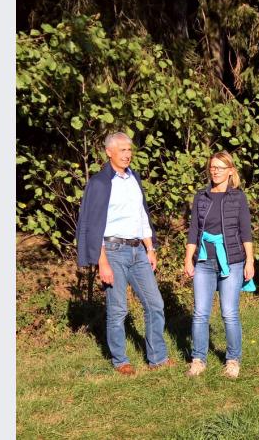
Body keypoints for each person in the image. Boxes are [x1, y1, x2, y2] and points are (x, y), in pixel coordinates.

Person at [76, 132, 173, 375]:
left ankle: (157, 358)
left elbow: (141, 216)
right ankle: (120, 360)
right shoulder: (100, 183)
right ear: (109, 152)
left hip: (138, 251)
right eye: (122, 150)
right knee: (118, 309)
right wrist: (102, 263)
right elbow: (92, 224)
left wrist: (150, 248)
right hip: (113, 251)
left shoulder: (133, 178)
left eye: (129, 150)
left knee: (155, 304)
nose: (127, 154)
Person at [184, 151, 255, 378]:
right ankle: (198, 359)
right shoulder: (201, 197)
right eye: (212, 167)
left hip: (232, 261)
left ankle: (233, 360)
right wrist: (188, 258)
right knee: (200, 313)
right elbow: (194, 230)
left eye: (220, 167)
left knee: (229, 313)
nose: (215, 171)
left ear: (230, 171)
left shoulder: (238, 197)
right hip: (204, 261)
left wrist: (249, 261)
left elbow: (246, 231)